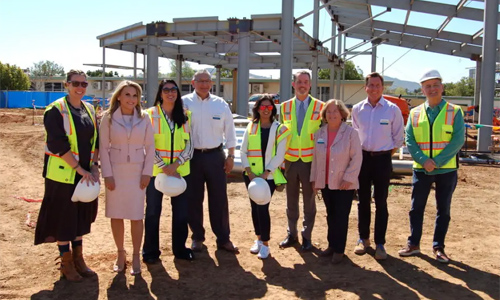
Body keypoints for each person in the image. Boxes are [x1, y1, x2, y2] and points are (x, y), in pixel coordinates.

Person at [34, 69, 99, 282]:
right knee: (63, 218)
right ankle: (66, 261)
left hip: (84, 175)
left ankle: (79, 259)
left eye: (83, 84)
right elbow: (57, 143)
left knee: (80, 217)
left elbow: (95, 141)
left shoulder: (89, 109)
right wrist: (79, 169)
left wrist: (94, 166)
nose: (80, 87)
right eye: (76, 83)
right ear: (67, 85)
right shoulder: (55, 110)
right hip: (62, 176)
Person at [398, 70, 464, 264]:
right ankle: (414, 244)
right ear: (422, 90)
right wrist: (423, 159)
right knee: (415, 208)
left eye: (436, 85)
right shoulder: (415, 113)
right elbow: (409, 139)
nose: (432, 89)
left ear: (442, 87)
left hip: (446, 170)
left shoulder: (455, 111)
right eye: (428, 86)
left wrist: (437, 161)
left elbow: (457, 140)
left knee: (443, 210)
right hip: (421, 169)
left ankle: (438, 247)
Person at [99, 80, 154, 275]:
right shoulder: (108, 118)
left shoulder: (145, 118)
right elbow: (103, 148)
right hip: (116, 172)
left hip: (138, 173)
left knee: (137, 215)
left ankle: (136, 255)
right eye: (128, 95)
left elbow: (150, 147)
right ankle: (120, 253)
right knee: (117, 214)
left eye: (135, 95)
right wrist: (107, 174)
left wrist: (147, 172)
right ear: (119, 97)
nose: (132, 99)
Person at [182, 70, 238, 253]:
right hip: (192, 157)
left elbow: (230, 132)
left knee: (219, 199)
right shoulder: (184, 103)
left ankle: (223, 238)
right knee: (193, 198)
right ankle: (197, 237)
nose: (204, 84)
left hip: (215, 156)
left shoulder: (220, 104)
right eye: (200, 81)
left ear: (211, 84)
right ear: (193, 82)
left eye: (207, 81)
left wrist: (230, 156)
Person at [351, 72, 404, 260]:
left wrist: (383, 155)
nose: (374, 88)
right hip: (363, 160)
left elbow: (398, 138)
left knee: (381, 202)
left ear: (383, 88)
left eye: (377, 85)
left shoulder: (392, 110)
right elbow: (355, 136)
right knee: (363, 201)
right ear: (365, 87)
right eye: (371, 85)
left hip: (382, 160)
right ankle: (363, 239)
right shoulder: (357, 109)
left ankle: (380, 243)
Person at [142, 79, 195, 263]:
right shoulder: (149, 114)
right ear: (160, 92)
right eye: (166, 89)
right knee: (152, 212)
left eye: (174, 89)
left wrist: (176, 165)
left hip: (180, 172)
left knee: (181, 213)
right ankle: (150, 252)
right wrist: (164, 166)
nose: (170, 93)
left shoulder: (186, 115)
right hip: (157, 172)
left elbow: (190, 143)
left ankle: (180, 249)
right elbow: (146, 144)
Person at [310, 99, 362, 264]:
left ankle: (339, 250)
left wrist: (349, 178)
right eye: (329, 111)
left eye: (335, 111)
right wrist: (314, 180)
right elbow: (315, 160)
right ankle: (332, 245)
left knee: (341, 216)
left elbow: (357, 158)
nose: (332, 114)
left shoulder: (351, 133)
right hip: (325, 182)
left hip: (343, 184)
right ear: (324, 115)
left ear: (342, 114)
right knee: (330, 215)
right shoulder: (319, 133)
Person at [241, 94, 290, 259]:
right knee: (254, 208)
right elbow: (243, 151)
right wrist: (249, 171)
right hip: (251, 176)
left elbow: (280, 155)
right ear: (257, 109)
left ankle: (266, 244)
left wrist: (265, 173)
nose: (266, 109)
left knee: (262, 208)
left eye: (269, 107)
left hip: (268, 177)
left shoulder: (280, 129)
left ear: (273, 109)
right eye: (263, 107)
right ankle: (259, 239)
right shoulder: (251, 127)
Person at [279, 71, 324, 251]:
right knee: (291, 201)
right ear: (293, 84)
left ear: (310, 85)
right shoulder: (284, 107)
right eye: (299, 82)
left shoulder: (321, 107)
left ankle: (307, 236)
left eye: (306, 82)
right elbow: (280, 136)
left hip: (310, 161)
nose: (302, 85)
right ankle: (292, 233)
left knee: (309, 201)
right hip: (290, 160)